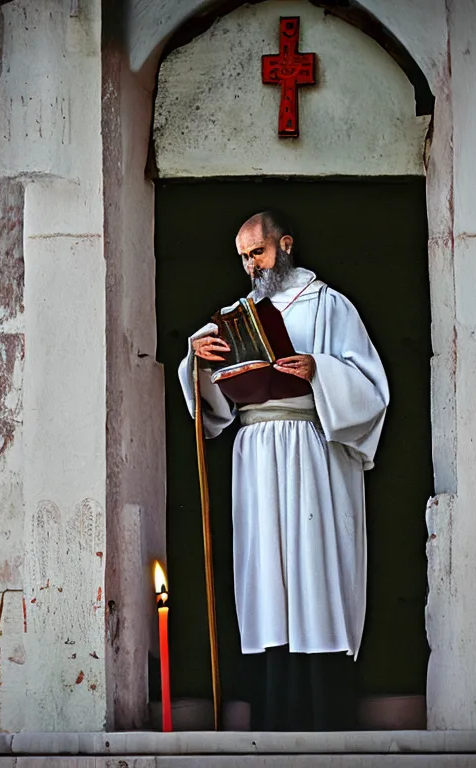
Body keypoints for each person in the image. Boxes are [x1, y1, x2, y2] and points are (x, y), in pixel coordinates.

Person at [178, 211, 389, 730]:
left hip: (313, 446)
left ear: (284, 245)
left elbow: (371, 385)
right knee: (267, 569)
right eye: (244, 258)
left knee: (314, 563)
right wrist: (197, 361)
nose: (251, 266)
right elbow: (211, 404)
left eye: (259, 253)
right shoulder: (237, 315)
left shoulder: (330, 305)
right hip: (256, 451)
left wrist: (320, 370)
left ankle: (326, 708)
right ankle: (273, 709)